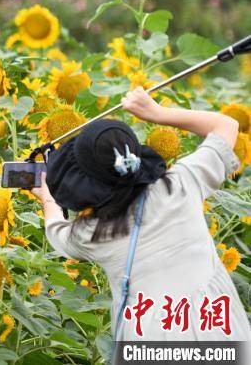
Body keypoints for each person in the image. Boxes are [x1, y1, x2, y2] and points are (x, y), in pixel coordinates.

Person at [30, 86, 250, 343]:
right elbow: (226, 126)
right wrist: (156, 112)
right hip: (215, 323)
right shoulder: (180, 184)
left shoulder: (90, 234)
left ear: (84, 185)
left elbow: (57, 230)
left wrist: (46, 196)